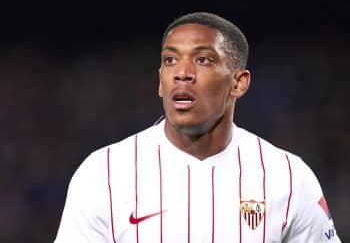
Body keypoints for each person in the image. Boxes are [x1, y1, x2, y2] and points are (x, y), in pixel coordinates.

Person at [54, 12, 341, 242]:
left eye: (203, 60)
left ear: (238, 83)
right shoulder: (102, 173)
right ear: (159, 81)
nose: (182, 73)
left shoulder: (289, 176)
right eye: (170, 60)